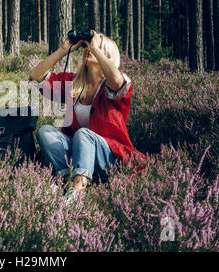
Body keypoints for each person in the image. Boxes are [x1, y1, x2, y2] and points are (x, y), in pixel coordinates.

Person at [29, 30, 146, 203]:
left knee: (84, 134)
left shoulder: (114, 85)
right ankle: (65, 181)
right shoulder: (73, 83)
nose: (88, 49)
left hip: (107, 157)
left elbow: (117, 82)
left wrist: (95, 48)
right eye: (86, 47)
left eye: (97, 47)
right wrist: (63, 50)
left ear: (107, 56)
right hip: (77, 154)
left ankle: (78, 191)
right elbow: (35, 77)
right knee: (45, 131)